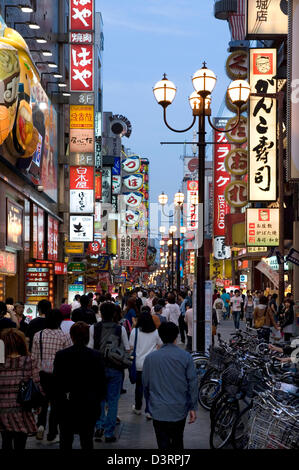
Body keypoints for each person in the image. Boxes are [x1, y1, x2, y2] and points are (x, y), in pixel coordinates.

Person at [142, 322, 198, 450]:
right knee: (178, 440)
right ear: (176, 336)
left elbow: (146, 384)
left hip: (158, 408)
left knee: (162, 443)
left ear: (160, 336)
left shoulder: (150, 358)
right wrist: (193, 407)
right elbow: (192, 383)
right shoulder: (185, 357)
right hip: (179, 407)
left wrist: (149, 405)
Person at [53, 322, 106, 449]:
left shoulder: (61, 355)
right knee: (87, 440)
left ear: (71, 336)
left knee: (65, 440)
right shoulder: (96, 356)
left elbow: (57, 382)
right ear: (88, 337)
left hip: (67, 403)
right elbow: (101, 382)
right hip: (89, 403)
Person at [31, 309, 72, 443]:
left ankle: (40, 425)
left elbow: (34, 358)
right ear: (59, 320)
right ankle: (52, 434)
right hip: (58, 375)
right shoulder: (64, 336)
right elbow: (67, 359)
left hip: (42, 374)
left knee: (42, 401)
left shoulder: (38, 335)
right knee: (56, 405)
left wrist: (35, 376)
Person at [88, 302, 127, 443]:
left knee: (99, 399)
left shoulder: (93, 328)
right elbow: (127, 348)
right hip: (115, 369)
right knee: (113, 400)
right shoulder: (120, 328)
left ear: (101, 312)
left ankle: (99, 426)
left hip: (98, 368)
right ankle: (109, 433)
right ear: (114, 313)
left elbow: (90, 347)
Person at [0, 328, 43, 450]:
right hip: (22, 408)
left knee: (6, 440)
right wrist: (39, 404)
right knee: (20, 443)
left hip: (2, 410)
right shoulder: (29, 361)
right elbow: (36, 383)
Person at [129, 311, 162, 418]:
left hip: (138, 364)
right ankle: (149, 410)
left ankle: (138, 408)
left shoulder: (135, 331)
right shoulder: (156, 332)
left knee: (139, 387)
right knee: (151, 388)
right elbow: (160, 344)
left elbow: (131, 346)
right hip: (152, 364)